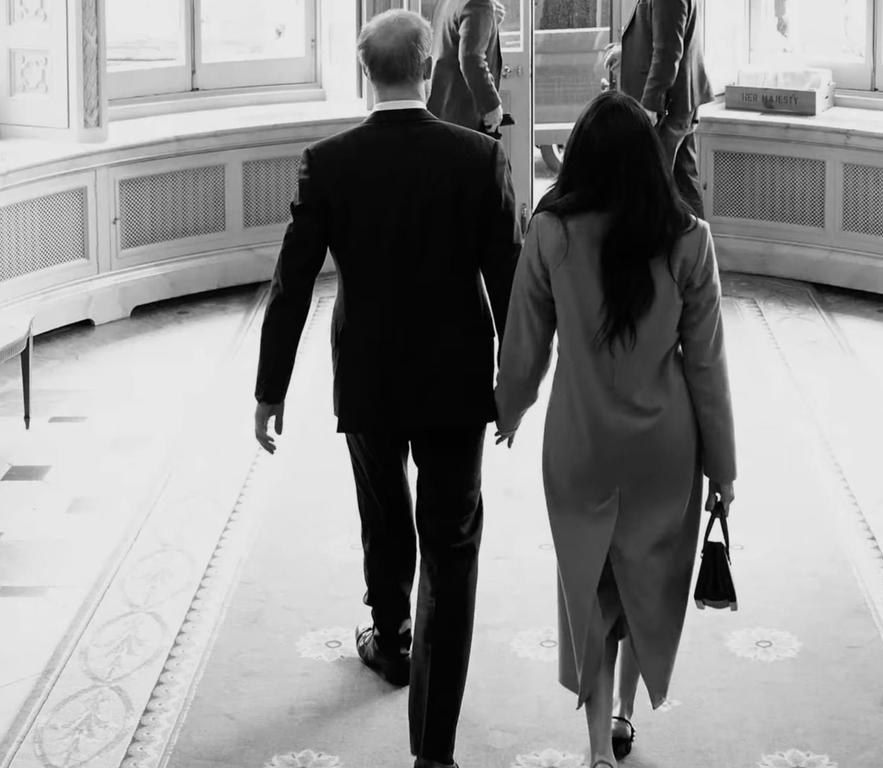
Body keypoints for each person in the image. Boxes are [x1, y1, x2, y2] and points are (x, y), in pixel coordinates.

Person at [252, 10, 519, 768]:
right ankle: (434, 751)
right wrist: (515, 381)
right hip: (457, 377)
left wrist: (269, 389)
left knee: (381, 506)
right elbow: (510, 278)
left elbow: (290, 283)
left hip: (367, 372)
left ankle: (391, 635)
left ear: (362, 70)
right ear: (430, 66)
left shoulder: (327, 161)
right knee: (454, 542)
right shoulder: (477, 157)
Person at [493, 91, 736, 768]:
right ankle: (628, 714)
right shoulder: (689, 240)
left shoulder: (550, 233)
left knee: (590, 586)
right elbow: (708, 366)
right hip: (664, 448)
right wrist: (724, 467)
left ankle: (599, 748)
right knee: (646, 582)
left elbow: (524, 343)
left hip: (580, 444)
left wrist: (509, 407)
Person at [606, 0, 714, 217]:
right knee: (682, 183)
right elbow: (662, 35)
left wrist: (650, 106)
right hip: (676, 103)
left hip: (667, 108)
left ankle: (676, 247)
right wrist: (626, 52)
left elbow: (668, 51)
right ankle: (698, 247)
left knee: (654, 189)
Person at [427, 0, 505, 133]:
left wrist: (489, 19)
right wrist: (491, 105)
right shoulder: (478, 4)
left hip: (442, 106)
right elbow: (471, 59)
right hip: (463, 114)